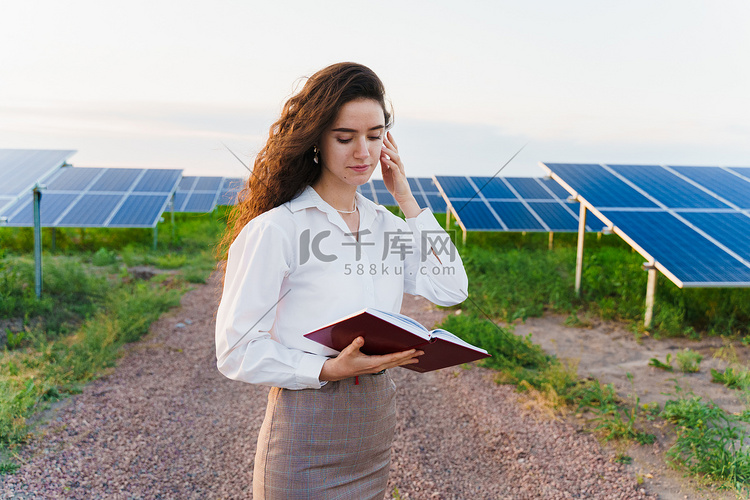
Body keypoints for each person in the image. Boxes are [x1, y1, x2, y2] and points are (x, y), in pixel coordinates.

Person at [215, 62, 468, 500]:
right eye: (345, 137)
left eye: (374, 135)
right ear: (317, 140)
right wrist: (327, 368)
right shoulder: (278, 229)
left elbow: (451, 289)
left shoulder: (387, 226)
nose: (363, 153)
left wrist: (407, 201)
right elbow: (235, 350)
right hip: (305, 430)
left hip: (374, 423)